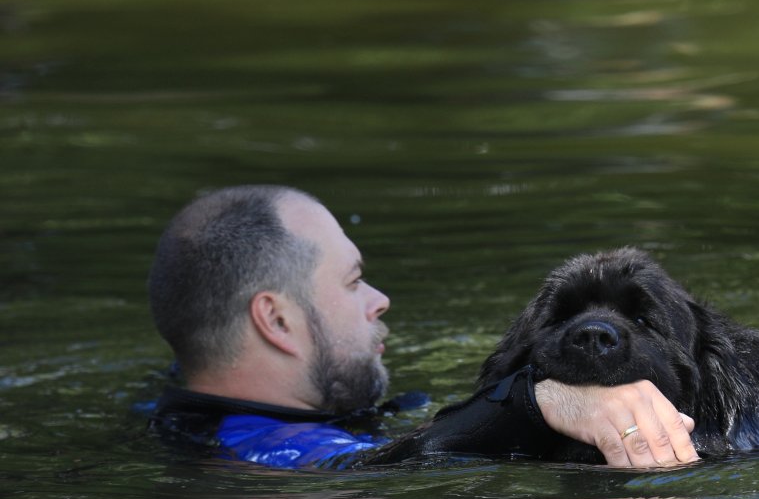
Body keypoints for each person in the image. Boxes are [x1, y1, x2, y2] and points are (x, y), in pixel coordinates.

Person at [148, 185, 699, 470]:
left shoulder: (190, 413)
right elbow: (364, 471)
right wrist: (535, 403)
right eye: (352, 282)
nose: (379, 301)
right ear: (276, 320)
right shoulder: (259, 451)